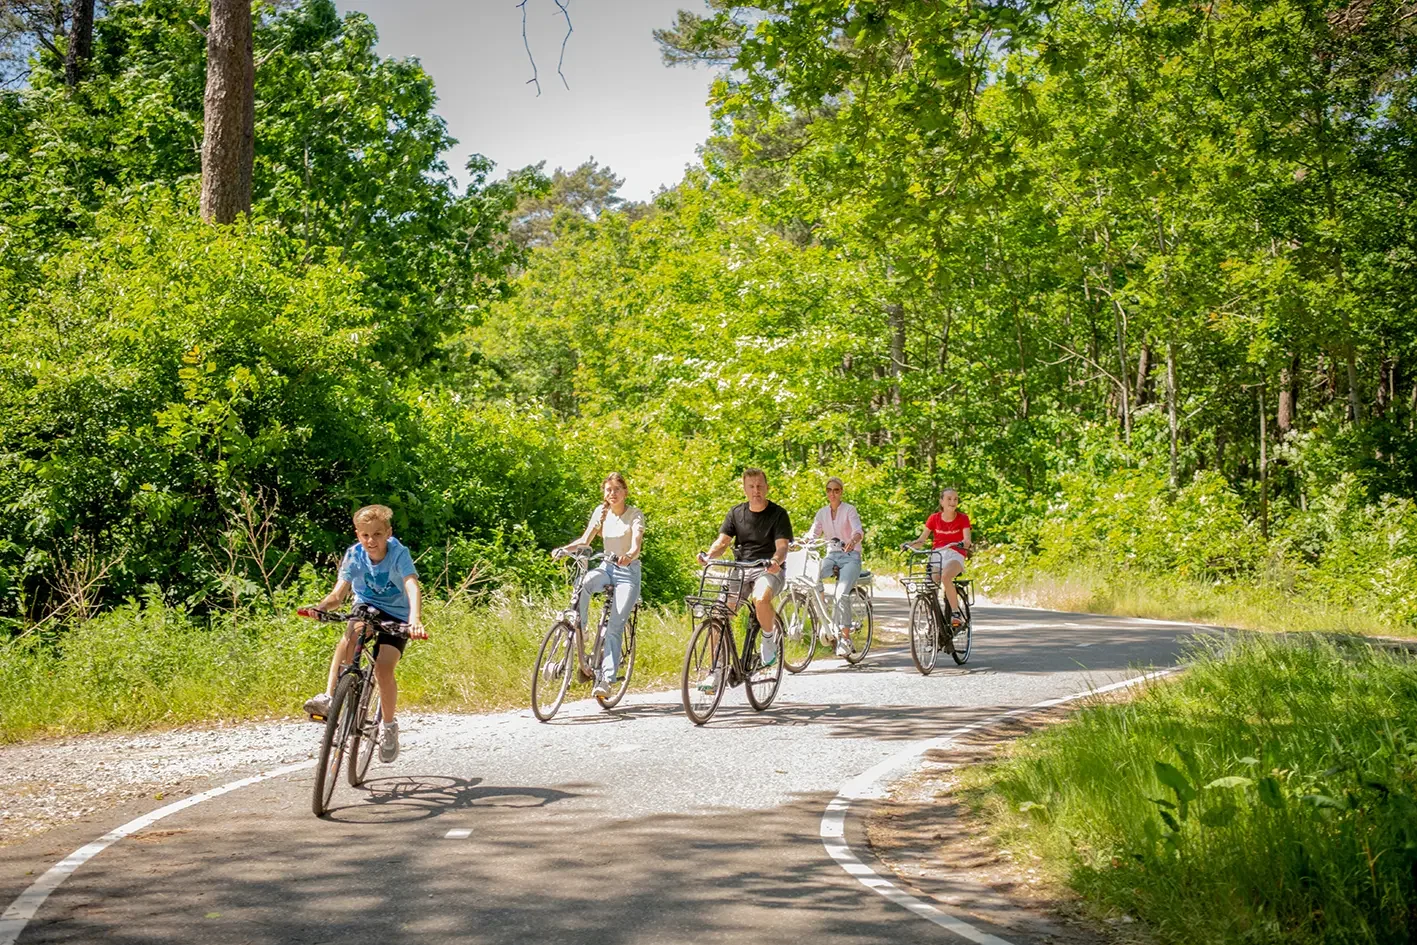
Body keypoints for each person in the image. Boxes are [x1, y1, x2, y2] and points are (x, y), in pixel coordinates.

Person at [303, 504, 427, 764]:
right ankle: (330, 696)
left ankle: (389, 727)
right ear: (358, 535)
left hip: (397, 614)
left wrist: (415, 620)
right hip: (366, 606)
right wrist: (322, 607)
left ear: (388, 533)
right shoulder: (354, 555)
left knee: (383, 668)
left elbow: (411, 585)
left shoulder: (398, 553)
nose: (372, 541)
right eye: (365, 535)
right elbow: (339, 595)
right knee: (352, 633)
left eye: (378, 534)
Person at [553, 472, 645, 699]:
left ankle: (606, 679)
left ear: (625, 492)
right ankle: (580, 626)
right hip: (606, 568)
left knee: (615, 625)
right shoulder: (601, 512)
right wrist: (565, 549)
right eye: (608, 490)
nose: (612, 494)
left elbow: (636, 543)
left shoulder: (634, 514)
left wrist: (630, 555)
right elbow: (585, 541)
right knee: (584, 583)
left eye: (616, 489)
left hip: (627, 572)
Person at [697, 468, 792, 682]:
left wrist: (776, 562)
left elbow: (782, 546)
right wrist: (709, 555)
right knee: (718, 614)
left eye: (759, 486)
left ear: (766, 487)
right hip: (741, 569)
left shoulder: (778, 514)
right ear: (745, 489)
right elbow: (722, 542)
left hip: (767, 568)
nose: (756, 490)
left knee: (760, 598)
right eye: (751, 486)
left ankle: (768, 639)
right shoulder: (736, 513)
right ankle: (717, 670)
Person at [806, 477, 865, 657]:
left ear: (841, 492)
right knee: (811, 576)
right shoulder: (822, 513)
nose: (832, 493)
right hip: (831, 556)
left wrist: (853, 540)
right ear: (826, 492)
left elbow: (858, 530)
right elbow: (814, 533)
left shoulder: (849, 510)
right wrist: (803, 541)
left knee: (841, 594)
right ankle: (823, 606)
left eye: (836, 490)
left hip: (850, 556)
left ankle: (845, 638)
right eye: (829, 490)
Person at [904, 487, 972, 629]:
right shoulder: (934, 518)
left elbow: (967, 539)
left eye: (955, 499)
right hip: (938, 553)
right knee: (930, 584)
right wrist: (909, 545)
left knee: (946, 576)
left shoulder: (963, 518)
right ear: (941, 501)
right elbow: (921, 541)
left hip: (956, 553)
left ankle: (955, 613)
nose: (952, 502)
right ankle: (933, 620)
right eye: (949, 499)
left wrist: (966, 543)